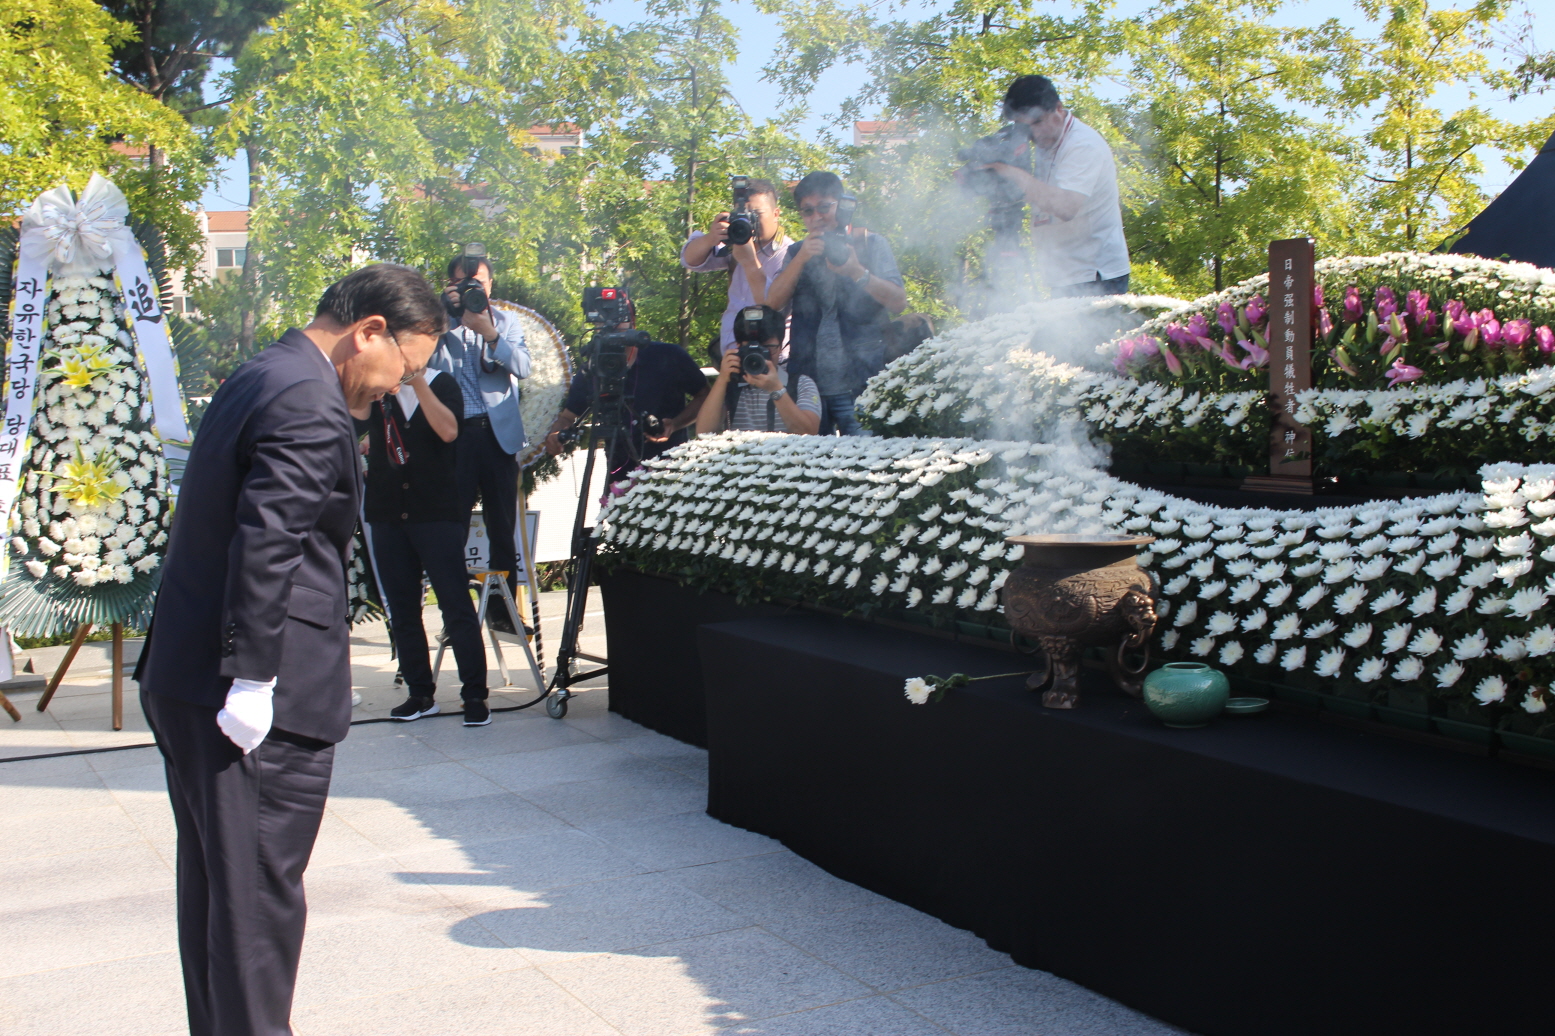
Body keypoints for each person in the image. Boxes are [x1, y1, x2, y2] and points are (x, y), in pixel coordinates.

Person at [134, 263, 444, 1036]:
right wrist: (252, 679)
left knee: (218, 890)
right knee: (256, 905)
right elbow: (269, 543)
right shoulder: (309, 400)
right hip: (247, 699)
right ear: (367, 331)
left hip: (186, 673)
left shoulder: (264, 372)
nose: (398, 386)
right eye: (405, 366)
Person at [358, 368, 492, 725]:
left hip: (435, 512)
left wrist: (415, 382)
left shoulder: (440, 383)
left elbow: (448, 431)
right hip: (387, 513)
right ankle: (420, 694)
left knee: (455, 604)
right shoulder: (376, 391)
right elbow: (352, 425)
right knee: (402, 609)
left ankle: (475, 695)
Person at [429, 252, 531, 631]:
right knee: (450, 529)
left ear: (491, 284)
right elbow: (422, 365)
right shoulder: (438, 324)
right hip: (453, 438)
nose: (472, 288)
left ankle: (503, 612)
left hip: (496, 437)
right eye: (461, 282)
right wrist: (443, 319)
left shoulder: (507, 322)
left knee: (501, 527)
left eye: (480, 281)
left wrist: (490, 333)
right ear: (449, 286)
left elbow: (522, 368)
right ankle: (455, 614)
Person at [764, 172, 906, 435]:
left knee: (868, 468)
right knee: (813, 472)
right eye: (807, 211)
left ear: (842, 204)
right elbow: (771, 304)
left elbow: (899, 302)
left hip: (866, 381)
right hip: (809, 386)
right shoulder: (796, 252)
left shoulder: (870, 243)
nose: (816, 217)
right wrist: (801, 258)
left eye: (824, 207)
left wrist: (857, 272)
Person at [985, 74, 1130, 297]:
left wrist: (1012, 173)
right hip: (1063, 274)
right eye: (1025, 127)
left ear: (1058, 109)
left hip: (1094, 275)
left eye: (1038, 122)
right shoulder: (1044, 141)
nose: (1034, 133)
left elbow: (1065, 206)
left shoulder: (1083, 145)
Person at [542, 292, 710, 483]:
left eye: (618, 319)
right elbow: (568, 416)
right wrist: (555, 434)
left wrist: (675, 424)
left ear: (633, 322)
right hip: (620, 476)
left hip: (671, 470)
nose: (611, 326)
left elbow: (704, 394)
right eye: (603, 320)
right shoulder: (593, 367)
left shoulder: (668, 356)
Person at [680, 177, 792, 354]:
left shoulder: (789, 253)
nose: (750, 222)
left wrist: (749, 261)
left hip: (772, 358)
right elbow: (689, 260)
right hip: (732, 352)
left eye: (757, 214)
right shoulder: (737, 242)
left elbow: (774, 306)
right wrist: (712, 237)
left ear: (776, 214)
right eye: (745, 215)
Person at [696, 305, 822, 435]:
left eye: (767, 348)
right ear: (738, 347)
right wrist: (722, 379)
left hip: (787, 454)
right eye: (750, 348)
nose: (759, 355)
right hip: (742, 454)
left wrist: (776, 390)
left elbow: (809, 432)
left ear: (780, 347)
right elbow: (704, 432)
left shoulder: (800, 383)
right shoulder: (730, 383)